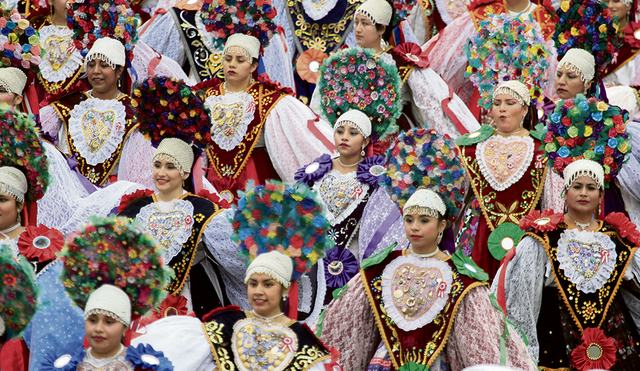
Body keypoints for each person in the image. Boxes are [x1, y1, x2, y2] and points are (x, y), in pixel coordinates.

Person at [492, 95, 639, 370]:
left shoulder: (618, 238)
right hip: (556, 342)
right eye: (577, 187)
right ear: (565, 191)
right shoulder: (542, 239)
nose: (584, 193)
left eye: (591, 188)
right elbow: (522, 301)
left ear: (600, 194)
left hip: (615, 343)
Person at [318, 188, 536, 371]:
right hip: (384, 362)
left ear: (442, 226)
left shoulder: (459, 274)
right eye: (409, 220)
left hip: (438, 361)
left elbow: (477, 337)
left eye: (424, 220)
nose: (415, 227)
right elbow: (350, 325)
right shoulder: (381, 267)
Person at [130, 251, 340, 371]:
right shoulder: (226, 324)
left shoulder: (304, 342)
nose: (258, 291)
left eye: (268, 284)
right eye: (253, 284)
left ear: (285, 289)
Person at [198, 33, 334, 202]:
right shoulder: (206, 97)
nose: (232, 64)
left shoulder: (270, 99)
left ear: (254, 65)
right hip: (212, 181)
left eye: (240, 60)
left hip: (255, 180)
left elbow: (300, 136)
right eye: (228, 59)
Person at [118, 137, 238, 319]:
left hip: (193, 295)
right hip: (144, 300)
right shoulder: (137, 209)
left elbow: (230, 252)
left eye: (170, 167)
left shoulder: (203, 209)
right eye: (157, 165)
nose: (161, 173)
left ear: (185, 173)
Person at [294, 110, 405, 302]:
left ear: (365, 141)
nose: (344, 137)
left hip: (353, 266)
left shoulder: (377, 178)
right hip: (311, 263)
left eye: (353, 133)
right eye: (340, 131)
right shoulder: (316, 171)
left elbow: (381, 228)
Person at [38, 216, 174, 370]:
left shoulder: (145, 366)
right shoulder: (65, 365)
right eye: (93, 320)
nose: (98, 329)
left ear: (124, 327)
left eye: (109, 322)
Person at [454, 81, 549, 279]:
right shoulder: (474, 146)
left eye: (509, 103)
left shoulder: (541, 147)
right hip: (478, 228)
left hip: (526, 230)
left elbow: (549, 199)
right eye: (497, 103)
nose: (502, 109)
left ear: (524, 109)